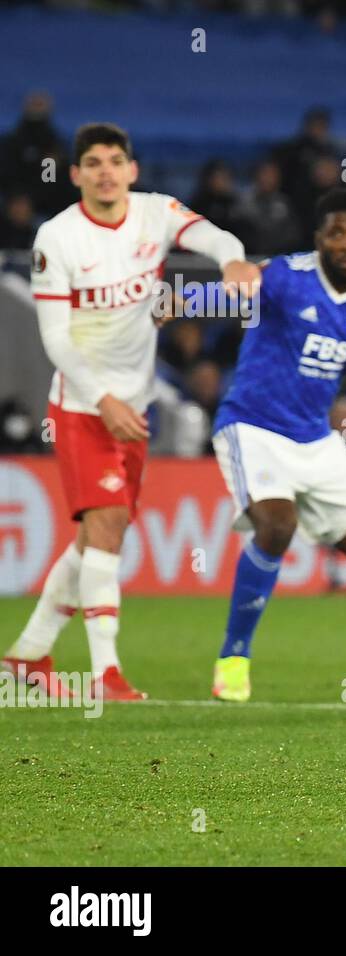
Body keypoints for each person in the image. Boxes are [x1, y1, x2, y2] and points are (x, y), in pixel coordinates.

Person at [3, 122, 257, 701]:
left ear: (132, 169)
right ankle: (105, 672)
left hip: (135, 403)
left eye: (115, 161)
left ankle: (27, 654)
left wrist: (234, 261)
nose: (105, 172)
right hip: (83, 405)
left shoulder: (153, 212)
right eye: (92, 163)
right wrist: (104, 399)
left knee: (98, 533)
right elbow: (57, 340)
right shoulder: (57, 239)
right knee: (108, 527)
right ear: (75, 175)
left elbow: (210, 234)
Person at [209, 187, 346, 704]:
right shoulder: (286, 276)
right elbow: (229, 292)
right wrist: (177, 302)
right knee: (276, 524)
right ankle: (233, 659)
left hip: (315, 438)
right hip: (253, 426)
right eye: (337, 232)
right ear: (319, 238)